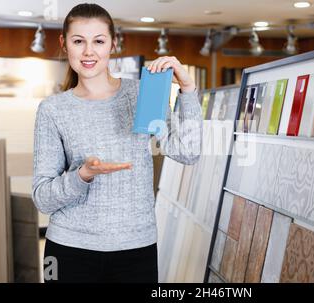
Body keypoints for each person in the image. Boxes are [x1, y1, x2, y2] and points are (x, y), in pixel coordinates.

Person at [32, 3, 202, 283]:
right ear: (64, 44)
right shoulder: (53, 110)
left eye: (98, 41)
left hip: (136, 248)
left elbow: (188, 151)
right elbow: (43, 198)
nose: (89, 51)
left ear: (113, 43)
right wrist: (82, 175)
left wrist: (187, 90)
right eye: (78, 41)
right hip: (66, 251)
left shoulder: (141, 94)